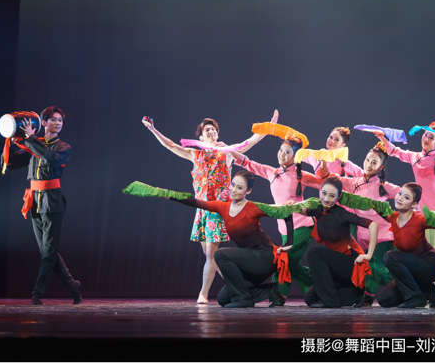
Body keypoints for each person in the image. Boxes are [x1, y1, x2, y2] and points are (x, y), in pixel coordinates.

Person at [121, 173, 305, 307]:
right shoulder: (223, 207)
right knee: (223, 298)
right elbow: (193, 201)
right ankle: (271, 290)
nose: (233, 190)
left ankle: (243, 299)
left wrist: (288, 242)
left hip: (266, 257)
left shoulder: (254, 207)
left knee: (220, 255)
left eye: (239, 187)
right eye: (233, 185)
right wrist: (163, 193)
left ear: (248, 191)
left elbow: (284, 212)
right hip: (250, 261)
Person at [141, 115, 264, 304]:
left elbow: (250, 142)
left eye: (214, 129)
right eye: (208, 130)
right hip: (201, 211)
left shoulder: (227, 153)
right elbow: (171, 145)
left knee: (211, 254)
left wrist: (269, 128)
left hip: (217, 209)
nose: (212, 131)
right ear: (200, 138)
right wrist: (152, 129)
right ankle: (244, 287)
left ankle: (203, 294)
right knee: (212, 256)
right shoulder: (195, 154)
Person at [370, 122, 435, 302]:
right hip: (424, 210)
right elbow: (395, 151)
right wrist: (382, 138)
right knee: (427, 253)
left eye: (431, 137)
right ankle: (427, 291)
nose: (426, 139)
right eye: (425, 135)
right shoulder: (415, 157)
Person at [5, 105, 81, 305]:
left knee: (48, 252)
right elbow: (12, 163)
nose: (58, 123)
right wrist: (10, 140)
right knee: (48, 252)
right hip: (35, 201)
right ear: (44, 123)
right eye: (54, 120)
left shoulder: (63, 147)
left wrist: (30, 139)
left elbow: (50, 158)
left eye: (60, 120)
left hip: (52, 200)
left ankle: (37, 294)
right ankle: (72, 286)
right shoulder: (34, 144)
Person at [230, 138, 324, 299]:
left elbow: (326, 185)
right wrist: (228, 149)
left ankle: (278, 295)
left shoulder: (301, 175)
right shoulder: (272, 172)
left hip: (302, 225)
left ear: (295, 156)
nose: (282, 154)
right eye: (281, 150)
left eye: (287, 152)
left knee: (285, 260)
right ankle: (321, 289)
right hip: (285, 228)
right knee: (293, 266)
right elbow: (247, 163)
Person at [375, 183, 435, 309]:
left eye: (406, 197)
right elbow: (371, 203)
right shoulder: (392, 217)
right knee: (384, 300)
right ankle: (427, 290)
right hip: (412, 269)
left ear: (413, 204)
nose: (400, 198)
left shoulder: (419, 220)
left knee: (390, 257)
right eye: (400, 193)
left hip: (429, 265)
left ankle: (416, 297)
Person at [302, 176, 379, 308]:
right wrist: (291, 205)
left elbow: (373, 225)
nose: (326, 199)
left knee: (315, 254)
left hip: (351, 262)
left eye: (332, 196)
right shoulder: (319, 211)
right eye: (324, 193)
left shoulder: (341, 214)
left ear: (339, 197)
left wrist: (369, 255)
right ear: (320, 191)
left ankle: (331, 301)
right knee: (310, 298)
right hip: (336, 266)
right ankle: (355, 294)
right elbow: (303, 210)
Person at [340, 144, 402, 305]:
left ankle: (368, 297)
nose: (369, 164)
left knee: (375, 265)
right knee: (373, 266)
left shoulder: (383, 186)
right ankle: (406, 281)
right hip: (363, 234)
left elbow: (407, 194)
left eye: (374, 162)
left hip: (383, 233)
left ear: (381, 167)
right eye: (367, 160)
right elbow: (329, 181)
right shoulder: (353, 182)